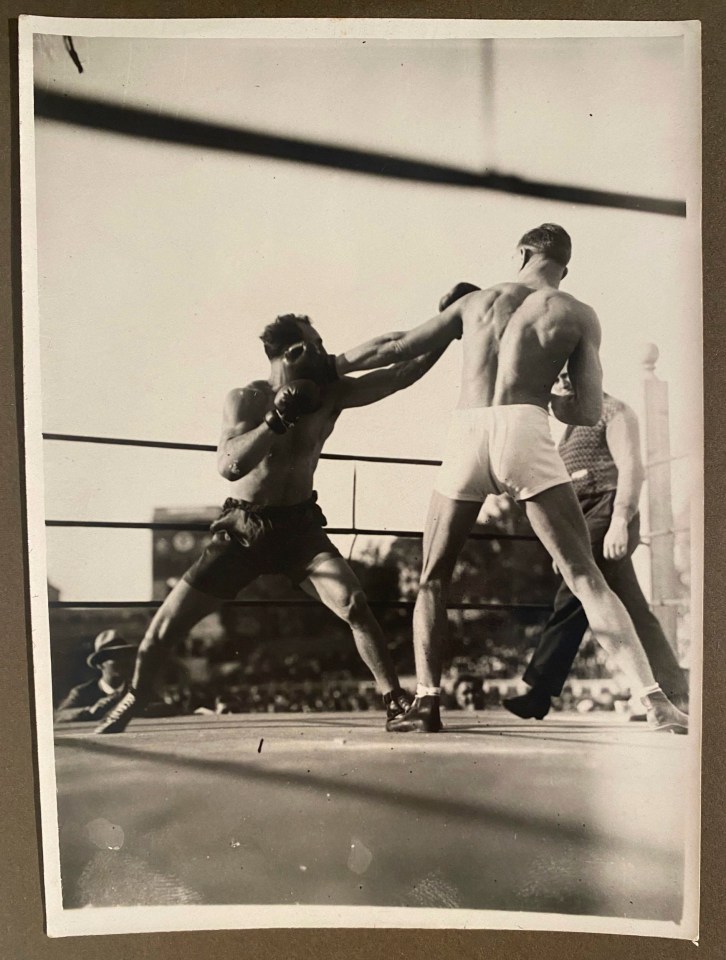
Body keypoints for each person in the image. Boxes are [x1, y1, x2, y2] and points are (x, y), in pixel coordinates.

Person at [334, 223, 688, 734]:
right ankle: (653, 700)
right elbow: (588, 411)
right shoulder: (576, 313)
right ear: (564, 268)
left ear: (522, 254)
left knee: (433, 576)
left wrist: (331, 365)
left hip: (467, 430)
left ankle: (427, 702)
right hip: (525, 427)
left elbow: (397, 346)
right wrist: (555, 399)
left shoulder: (476, 302)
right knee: (585, 577)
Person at [95, 313, 446, 733]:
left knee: (354, 603)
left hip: (299, 528)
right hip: (243, 529)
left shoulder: (330, 393)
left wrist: (451, 329)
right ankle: (134, 695)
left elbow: (400, 374)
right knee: (167, 625)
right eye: (316, 344)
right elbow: (229, 466)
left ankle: (393, 699)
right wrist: (274, 422)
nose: (325, 352)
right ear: (293, 352)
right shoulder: (246, 399)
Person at [503, 377, 689, 720]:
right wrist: (565, 544)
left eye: (570, 373)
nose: (562, 381)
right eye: (557, 376)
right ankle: (675, 693)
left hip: (608, 509)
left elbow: (631, 470)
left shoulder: (614, 411)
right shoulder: (572, 425)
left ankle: (539, 692)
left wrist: (620, 519)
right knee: (631, 606)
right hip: (582, 517)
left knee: (573, 595)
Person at [55, 630, 136, 724]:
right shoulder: (82, 693)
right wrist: (90, 711)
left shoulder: (136, 691)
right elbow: (59, 715)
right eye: (115, 656)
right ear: (99, 664)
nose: (122, 661)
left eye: (125, 655)